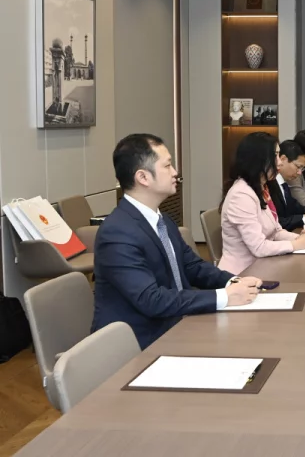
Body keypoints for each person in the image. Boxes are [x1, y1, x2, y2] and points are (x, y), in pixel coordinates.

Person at [92, 134, 262, 349]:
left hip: (177, 324)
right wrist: (224, 297)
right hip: (139, 344)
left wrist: (233, 282)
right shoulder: (117, 233)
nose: (175, 172)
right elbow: (151, 300)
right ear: (143, 177)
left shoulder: (162, 220)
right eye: (167, 166)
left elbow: (192, 266)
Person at [218, 133, 305, 276]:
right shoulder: (241, 195)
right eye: (275, 155)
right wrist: (297, 244)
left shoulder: (261, 188)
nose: (279, 162)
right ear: (259, 159)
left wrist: (300, 237)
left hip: (264, 267)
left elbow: (276, 232)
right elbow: (258, 247)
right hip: (242, 274)